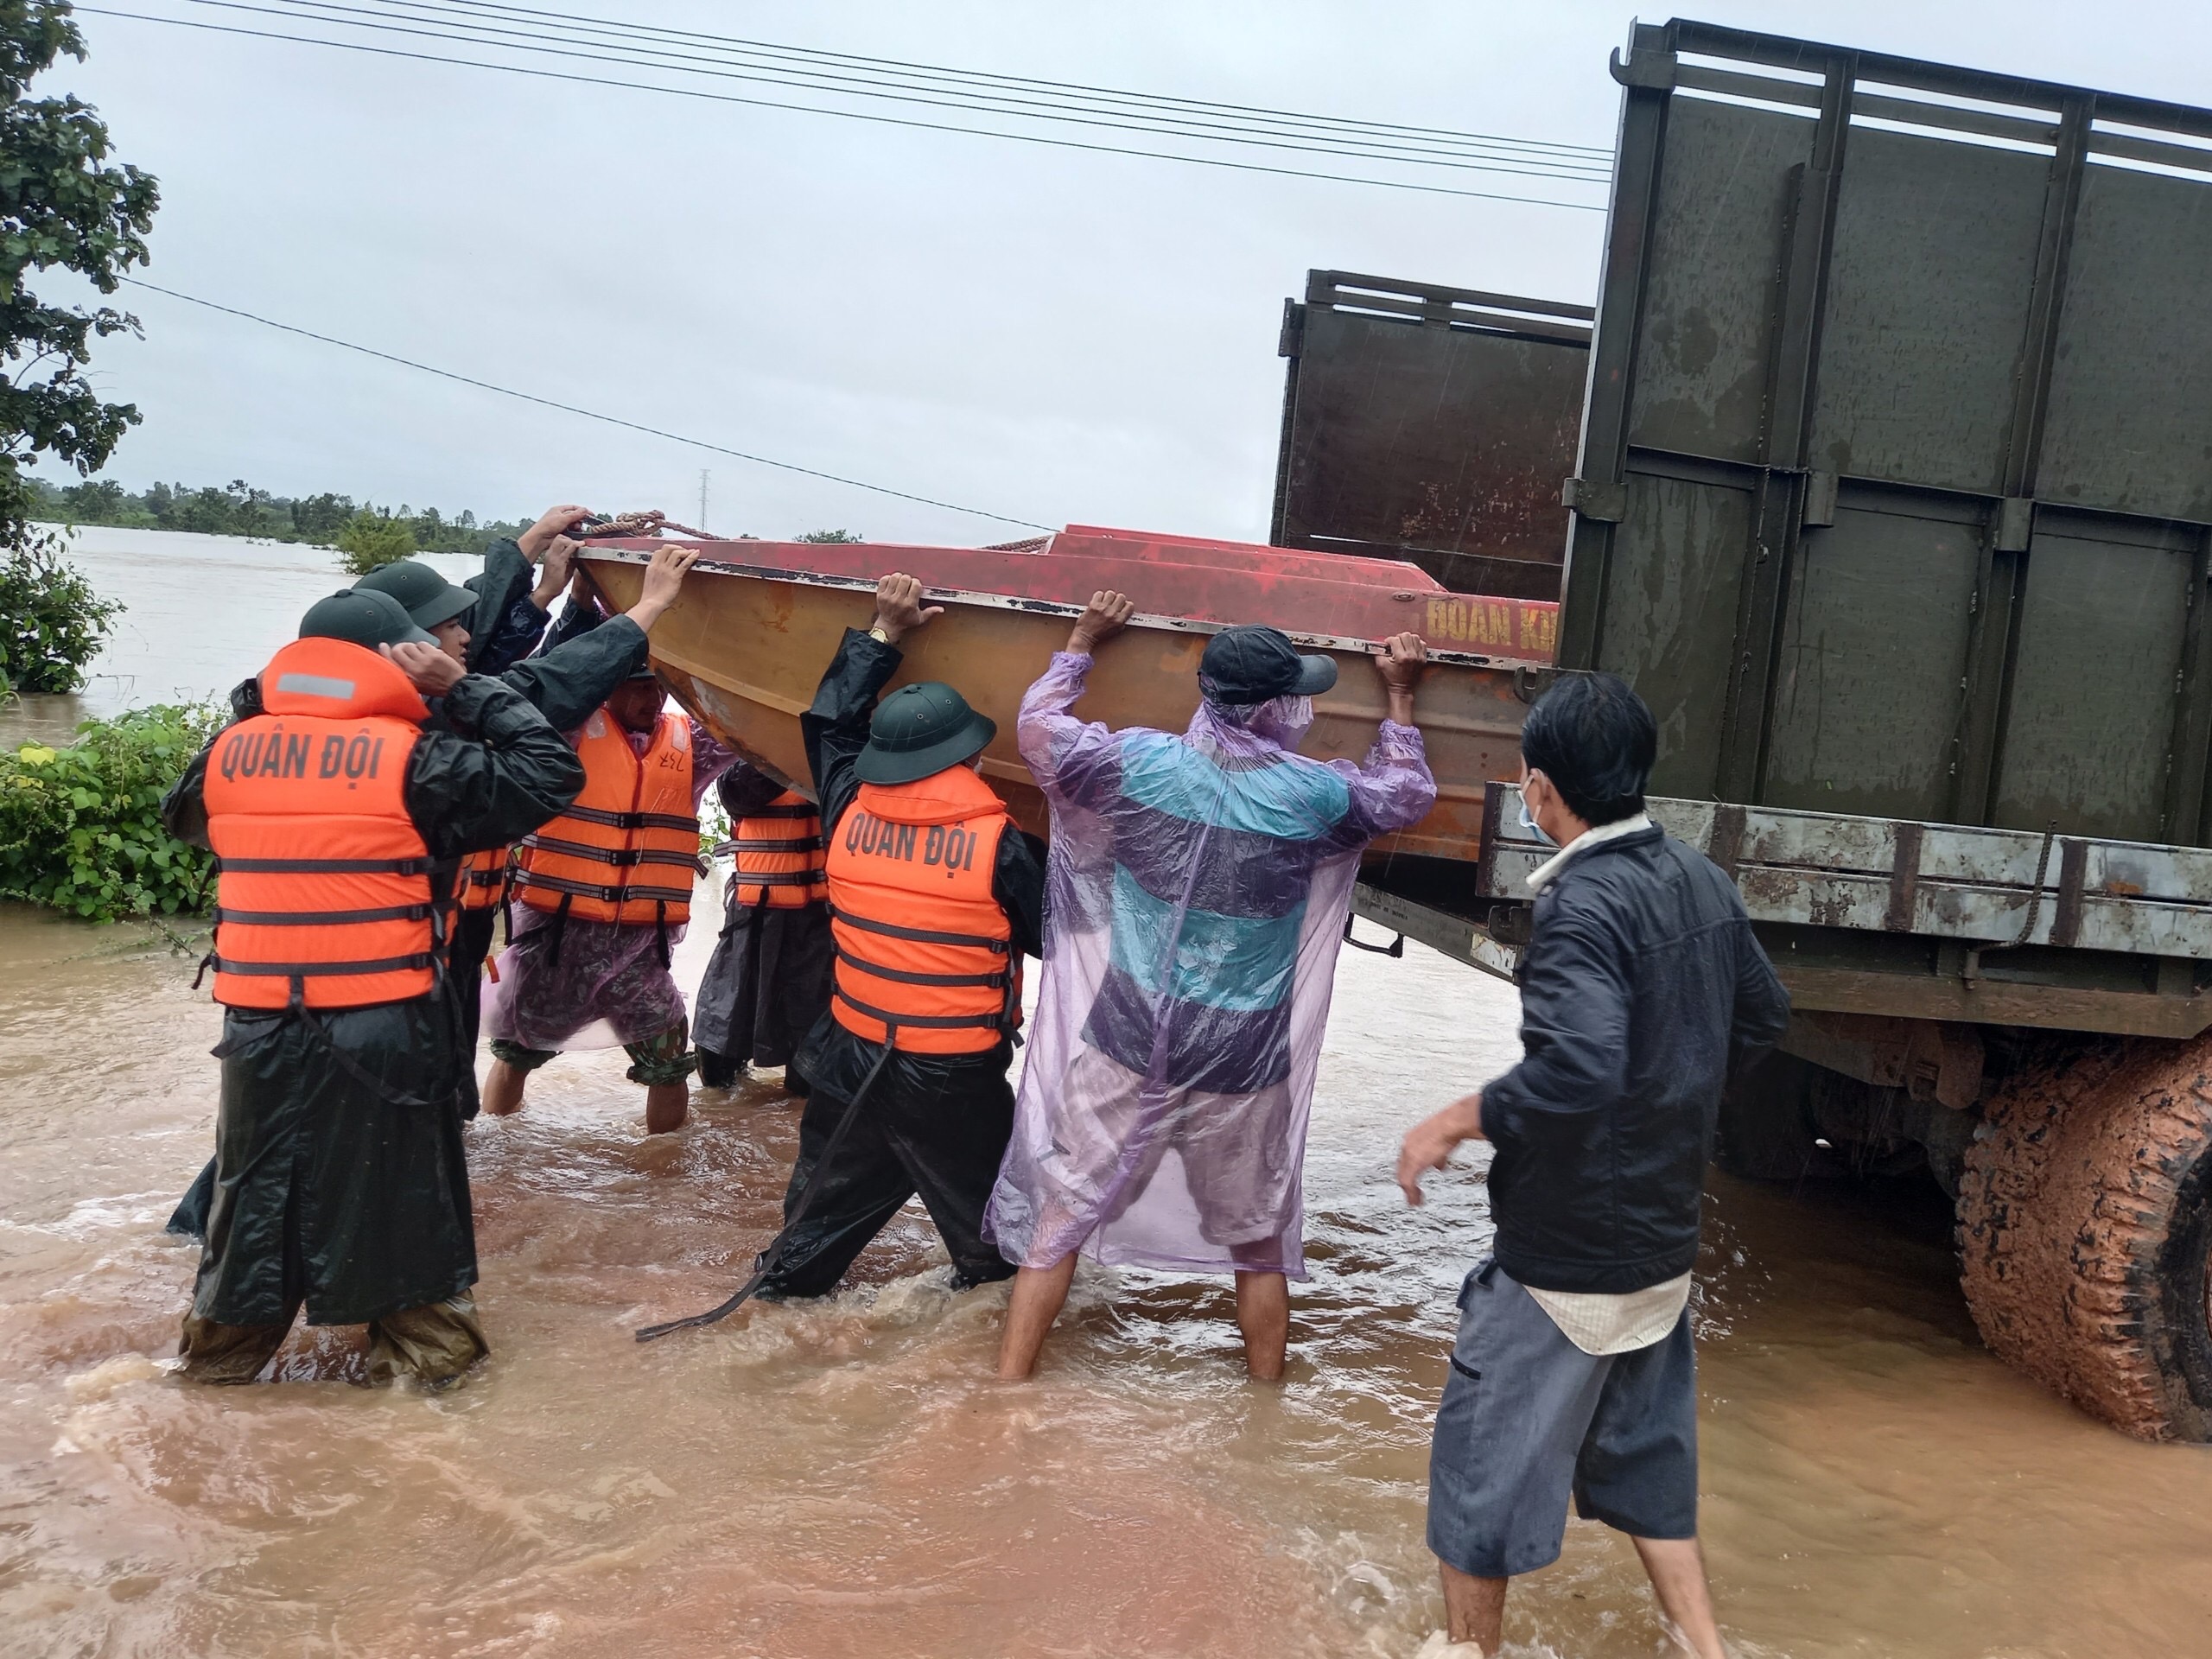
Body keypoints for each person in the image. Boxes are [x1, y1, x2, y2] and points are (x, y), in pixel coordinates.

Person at [1394, 672, 1790, 1659]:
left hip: (1564, 1256)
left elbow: (1576, 1068)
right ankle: (1704, 1648)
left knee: (1476, 1480)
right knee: (1650, 1463)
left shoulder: (1580, 905)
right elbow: (1762, 1016)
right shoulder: (1700, 877)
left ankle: (1470, 1653)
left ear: (1539, 789)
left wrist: (1459, 1115)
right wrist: (1670, 1111)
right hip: (1660, 1241)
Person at [989, 597, 1436, 1381]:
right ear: (1273, 708)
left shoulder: (1136, 763)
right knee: (1258, 1241)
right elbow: (1404, 796)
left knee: (1060, 1216)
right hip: (1243, 1058)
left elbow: (1038, 730)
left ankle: (1006, 1388)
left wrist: (1082, 644)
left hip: (1127, 1036)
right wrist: (1399, 697)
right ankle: (1266, 1410)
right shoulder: (1311, 795)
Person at [159, 587, 585, 1385]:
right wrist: (462, 689)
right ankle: (429, 1373)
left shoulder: (232, 753)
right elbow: (550, 774)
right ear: (398, 660)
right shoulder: (415, 762)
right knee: (404, 1194)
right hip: (381, 1022)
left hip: (257, 1027)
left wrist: (258, 706)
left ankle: (217, 1372)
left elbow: (181, 815)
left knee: (254, 1196)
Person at [748, 573, 1044, 1300]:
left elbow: (828, 726)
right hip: (948, 1075)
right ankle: (988, 1369)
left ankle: (779, 1312)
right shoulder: (1000, 843)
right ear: (967, 759)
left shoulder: (845, 804)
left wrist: (884, 631)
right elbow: (1060, 940)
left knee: (808, 1243)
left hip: (849, 1053)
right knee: (1001, 1248)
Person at [356, 543, 702, 1066]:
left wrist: (561, 600)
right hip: (502, 937)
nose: (466, 636)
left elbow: (526, 683)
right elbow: (544, 705)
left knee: (443, 1084)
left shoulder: (291, 734)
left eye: (660, 689)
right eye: (452, 626)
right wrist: (645, 606)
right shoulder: (431, 730)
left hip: (443, 939)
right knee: (476, 1070)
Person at [479, 626, 741, 1135]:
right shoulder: (563, 737)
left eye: (660, 685)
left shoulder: (692, 751)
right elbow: (543, 681)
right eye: (639, 684)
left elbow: (745, 723)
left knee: (669, 1062)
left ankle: (664, 1180)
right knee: (517, 1053)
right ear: (603, 685)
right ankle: (498, 1153)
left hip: (640, 954)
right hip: (555, 944)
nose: (655, 696)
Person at [692, 763, 835, 1095]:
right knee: (719, 1052)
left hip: (821, 921)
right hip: (753, 917)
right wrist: (785, 753)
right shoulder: (751, 759)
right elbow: (734, 796)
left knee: (810, 1064)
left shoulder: (841, 762)